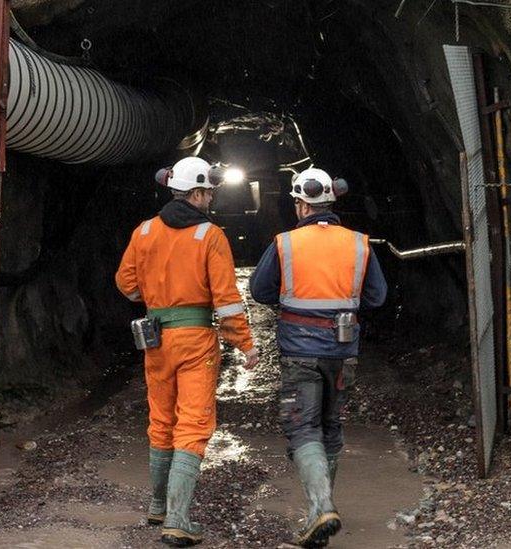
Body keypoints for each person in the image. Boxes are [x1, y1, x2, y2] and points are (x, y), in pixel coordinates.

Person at [116, 156, 260, 547]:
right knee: (193, 424)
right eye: (208, 191)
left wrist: (156, 301)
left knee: (161, 419)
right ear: (196, 192)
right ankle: (177, 520)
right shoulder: (210, 236)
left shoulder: (143, 231)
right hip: (195, 339)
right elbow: (227, 300)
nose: (211, 197)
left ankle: (158, 505)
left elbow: (125, 283)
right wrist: (245, 343)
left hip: (156, 339)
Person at [250, 167, 387, 547]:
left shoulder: (286, 243)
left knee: (302, 429)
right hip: (343, 353)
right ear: (331, 200)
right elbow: (376, 297)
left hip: (300, 353)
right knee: (330, 427)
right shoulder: (360, 243)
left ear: (301, 204)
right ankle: (317, 517)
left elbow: (260, 291)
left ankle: (322, 506)